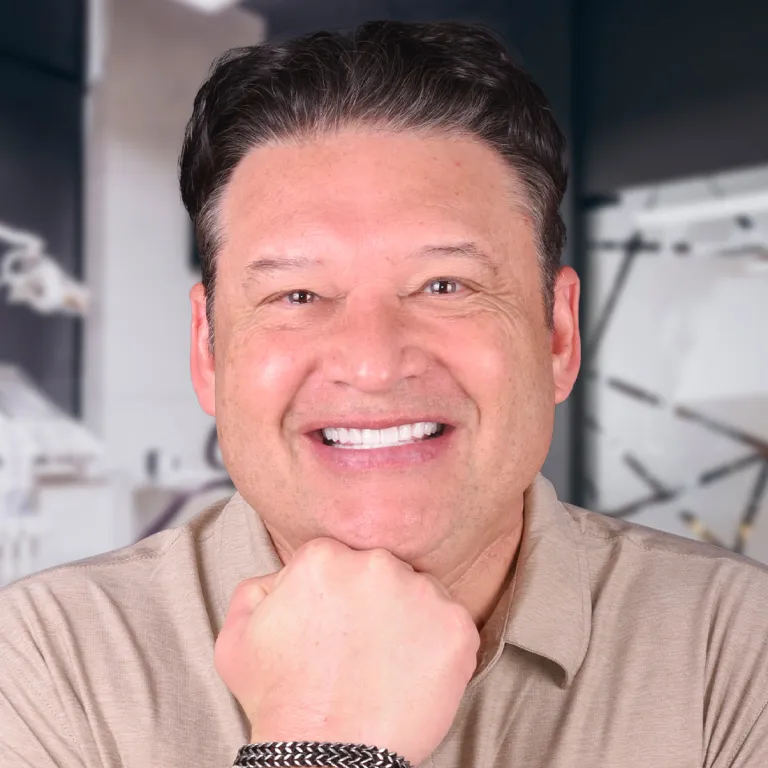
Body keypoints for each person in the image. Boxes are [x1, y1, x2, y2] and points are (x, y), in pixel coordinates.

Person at [1, 19, 767, 768]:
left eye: (445, 284)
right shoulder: (45, 663)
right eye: (297, 295)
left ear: (557, 335)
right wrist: (324, 747)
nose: (371, 363)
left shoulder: (736, 650)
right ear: (207, 350)